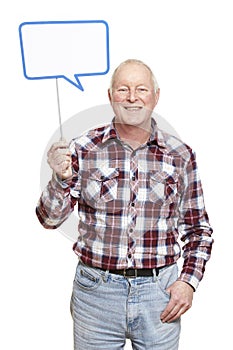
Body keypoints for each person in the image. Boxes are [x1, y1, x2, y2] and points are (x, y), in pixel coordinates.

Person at [36, 59, 213, 349]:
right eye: (123, 89)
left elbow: (199, 229)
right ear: (110, 96)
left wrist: (188, 282)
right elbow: (49, 219)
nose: (132, 97)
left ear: (156, 97)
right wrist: (61, 178)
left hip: (160, 294)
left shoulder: (181, 155)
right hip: (96, 296)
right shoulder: (84, 148)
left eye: (141, 89)